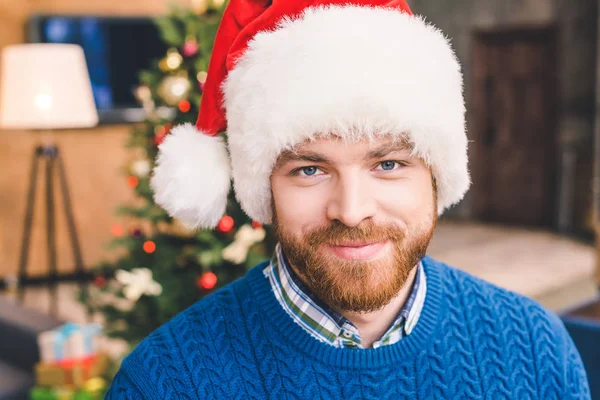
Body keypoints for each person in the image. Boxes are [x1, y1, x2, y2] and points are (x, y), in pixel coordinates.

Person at [106, 0, 591, 398]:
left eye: (388, 164)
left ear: (437, 176)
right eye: (310, 169)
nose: (352, 209)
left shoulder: (534, 347)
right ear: (264, 188)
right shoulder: (164, 381)